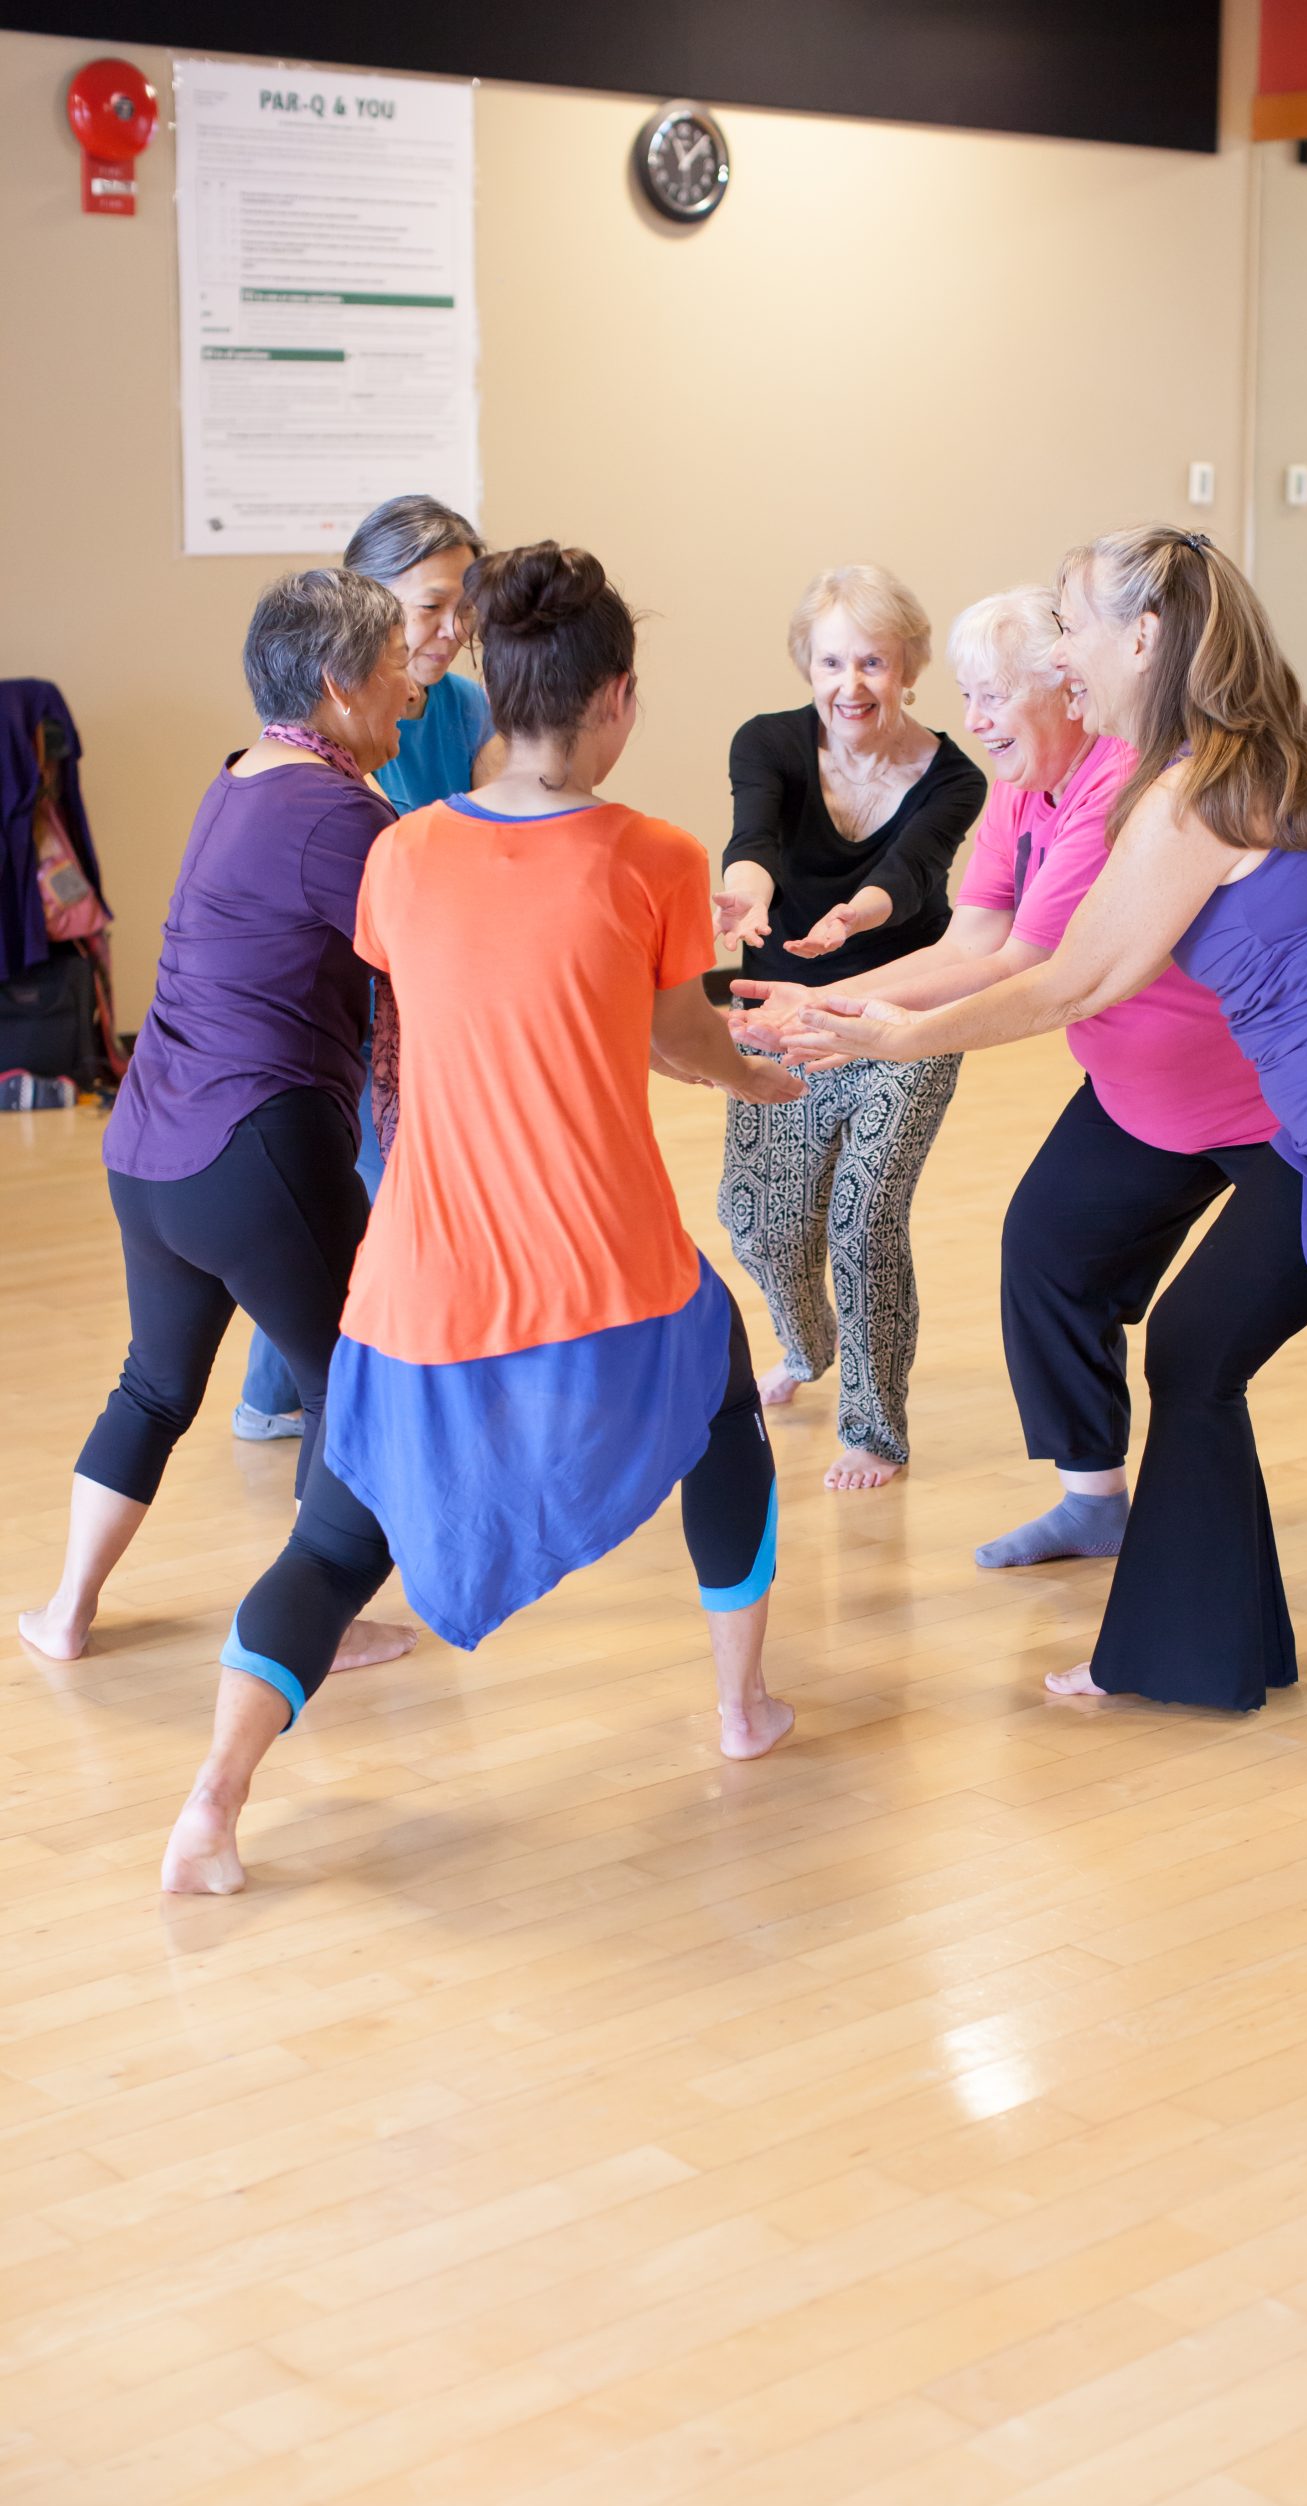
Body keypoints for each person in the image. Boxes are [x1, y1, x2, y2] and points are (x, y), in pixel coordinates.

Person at [784, 530, 1307, 1797]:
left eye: (1074, 622)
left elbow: (1082, 973)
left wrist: (895, 1032)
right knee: (1194, 1350)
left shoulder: (1203, 789)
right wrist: (879, 1016)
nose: (1060, 647)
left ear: (1144, 639)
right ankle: (1186, 1650)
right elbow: (1048, 949)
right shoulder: (1198, 768)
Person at [161, 543, 803, 1895]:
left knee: (336, 1541)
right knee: (725, 1417)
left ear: (499, 687)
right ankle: (739, 1711)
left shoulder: (401, 852)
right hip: (607, 1271)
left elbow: (484, 1006)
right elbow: (677, 1040)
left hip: (419, 1282)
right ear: (614, 698)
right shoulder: (657, 858)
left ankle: (212, 1808)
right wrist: (768, 1072)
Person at [19, 571, 417, 1671]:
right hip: (253, 1148)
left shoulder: (244, 774)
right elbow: (430, 957)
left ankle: (65, 1610)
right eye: (396, 671)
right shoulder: (339, 811)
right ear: (340, 684)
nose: (412, 698)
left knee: (155, 1382)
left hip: (150, 1149)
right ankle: (314, 1621)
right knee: (356, 1375)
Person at [233, 494, 502, 1443]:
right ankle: (392, 1401)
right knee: (387, 1196)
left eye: (464, 604)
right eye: (429, 605)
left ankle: (277, 1396)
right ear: (365, 605)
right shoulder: (326, 726)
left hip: (426, 984)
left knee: (355, 1198)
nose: (451, 628)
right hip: (353, 999)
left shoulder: (466, 706)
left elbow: (508, 830)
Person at [714, 563, 986, 1490]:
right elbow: (752, 841)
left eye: (873, 661)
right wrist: (741, 900)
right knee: (757, 1225)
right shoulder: (769, 744)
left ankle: (874, 1428)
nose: (851, 684)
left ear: (908, 666)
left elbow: (910, 873)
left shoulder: (954, 776)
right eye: (832, 661)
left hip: (901, 1011)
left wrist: (851, 919)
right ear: (807, 664)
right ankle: (807, 1342)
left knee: (865, 1218)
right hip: (782, 1017)